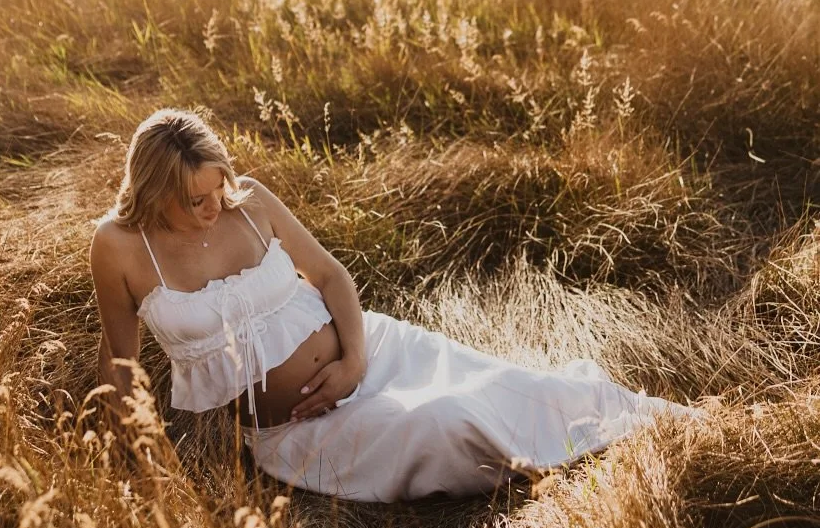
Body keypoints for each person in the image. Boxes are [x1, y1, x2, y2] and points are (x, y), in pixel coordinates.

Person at [89, 107, 705, 503]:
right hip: (301, 429)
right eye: (195, 199)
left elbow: (331, 277)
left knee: (522, 386)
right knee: (451, 424)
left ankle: (681, 426)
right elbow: (121, 365)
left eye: (217, 187)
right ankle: (601, 446)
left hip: (376, 354)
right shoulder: (120, 247)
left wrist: (353, 361)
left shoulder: (248, 202)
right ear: (153, 191)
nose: (214, 207)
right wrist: (151, 469)